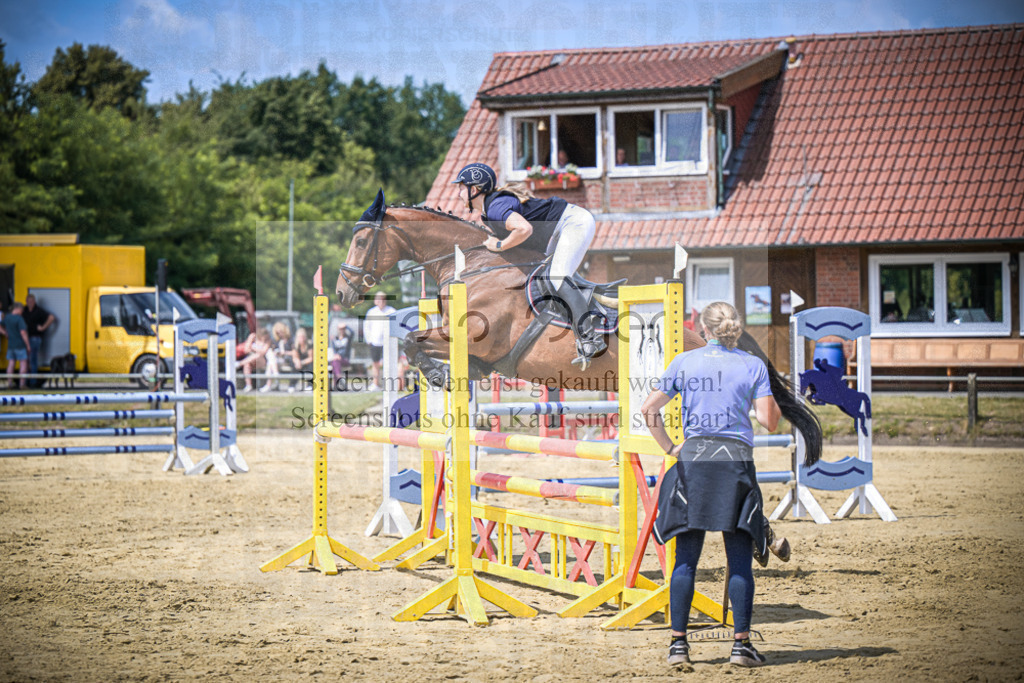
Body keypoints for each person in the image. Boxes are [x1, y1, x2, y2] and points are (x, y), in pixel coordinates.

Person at [640, 302, 784, 669]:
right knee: (739, 562)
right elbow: (770, 422)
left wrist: (671, 446)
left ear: (702, 328)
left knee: (685, 561)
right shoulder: (752, 365)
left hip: (694, 462)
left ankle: (677, 646)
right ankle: (741, 647)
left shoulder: (684, 362)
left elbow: (648, 409)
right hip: (735, 463)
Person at [452, 162, 606, 367]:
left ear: (475, 189)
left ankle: (591, 338)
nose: (459, 193)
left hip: (573, 223)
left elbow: (524, 230)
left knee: (557, 277)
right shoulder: (488, 213)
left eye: (461, 187)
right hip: (558, 230)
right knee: (543, 278)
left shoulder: (496, 208)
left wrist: (499, 245)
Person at [364, 291, 395, 391]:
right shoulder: (371, 312)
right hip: (375, 342)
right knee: (375, 364)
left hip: (387, 342)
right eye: (379, 299)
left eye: (383, 299)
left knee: (388, 363)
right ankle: (376, 384)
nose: (381, 301)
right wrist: (368, 339)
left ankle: (389, 384)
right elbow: (367, 327)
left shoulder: (391, 311)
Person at [22, 294, 55, 388]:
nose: (30, 303)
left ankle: (33, 382)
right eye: (28, 301)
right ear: (26, 301)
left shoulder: (39, 311)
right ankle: (25, 382)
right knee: (25, 361)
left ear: (34, 301)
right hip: (25, 339)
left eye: (31, 301)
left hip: (35, 339)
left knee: (33, 360)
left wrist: (43, 327)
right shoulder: (24, 310)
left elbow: (51, 318)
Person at [0, 302, 31, 389]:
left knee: (11, 364)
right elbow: (23, 332)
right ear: (17, 309)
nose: (22, 312)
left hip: (11, 346)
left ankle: (10, 383)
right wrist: (28, 345)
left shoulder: (7, 318)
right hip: (20, 345)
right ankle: (22, 384)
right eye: (21, 310)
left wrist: (5, 332)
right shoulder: (19, 319)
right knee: (23, 364)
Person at [329, 324, 354, 389]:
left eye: (343, 329)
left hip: (345, 359)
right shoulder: (335, 339)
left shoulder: (347, 338)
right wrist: (337, 355)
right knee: (335, 362)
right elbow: (334, 350)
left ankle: (337, 383)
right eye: (340, 329)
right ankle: (338, 382)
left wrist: (346, 326)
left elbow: (352, 332)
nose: (342, 330)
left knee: (335, 362)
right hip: (337, 359)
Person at [290, 327, 314, 392]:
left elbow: (311, 358)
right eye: (300, 337)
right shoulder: (295, 345)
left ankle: (309, 385)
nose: (301, 339)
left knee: (311, 366)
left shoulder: (309, 344)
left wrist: (302, 362)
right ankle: (292, 385)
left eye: (302, 337)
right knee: (294, 365)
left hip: (306, 362)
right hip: (299, 362)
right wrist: (297, 362)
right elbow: (294, 357)